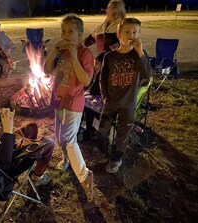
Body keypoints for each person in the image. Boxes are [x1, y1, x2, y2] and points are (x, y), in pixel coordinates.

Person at [44, 14, 94, 202]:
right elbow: (47, 69)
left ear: (80, 35)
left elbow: (86, 80)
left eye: (71, 31)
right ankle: (66, 159)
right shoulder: (61, 51)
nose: (66, 35)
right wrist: (54, 51)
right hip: (58, 99)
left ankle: (84, 174)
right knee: (58, 135)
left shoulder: (84, 53)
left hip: (74, 102)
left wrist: (74, 56)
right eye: (63, 31)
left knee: (68, 138)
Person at [98, 18, 152, 174]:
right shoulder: (110, 56)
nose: (131, 35)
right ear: (119, 34)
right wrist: (105, 97)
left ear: (139, 34)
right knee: (102, 131)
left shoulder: (138, 56)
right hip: (111, 102)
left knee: (122, 134)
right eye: (127, 32)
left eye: (135, 32)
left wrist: (141, 51)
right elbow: (102, 79)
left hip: (128, 104)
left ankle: (116, 159)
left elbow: (148, 75)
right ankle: (103, 153)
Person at [80, 0, 126, 142]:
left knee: (95, 95)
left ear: (117, 10)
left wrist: (102, 57)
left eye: (111, 8)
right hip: (99, 67)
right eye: (108, 7)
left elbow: (122, 47)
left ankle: (96, 129)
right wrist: (80, 46)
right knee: (88, 91)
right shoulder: (104, 25)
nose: (107, 9)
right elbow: (91, 39)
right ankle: (89, 126)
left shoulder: (121, 26)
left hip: (112, 69)